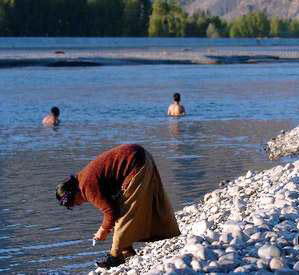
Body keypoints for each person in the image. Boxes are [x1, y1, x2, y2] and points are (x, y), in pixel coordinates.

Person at [56, 144, 180, 269]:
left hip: (136, 163)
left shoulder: (86, 187)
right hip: (141, 155)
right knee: (136, 204)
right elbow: (114, 204)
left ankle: (115, 256)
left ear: (74, 193)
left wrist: (103, 230)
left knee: (126, 213)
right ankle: (127, 251)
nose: (78, 204)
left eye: (73, 203)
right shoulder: (82, 179)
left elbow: (110, 211)